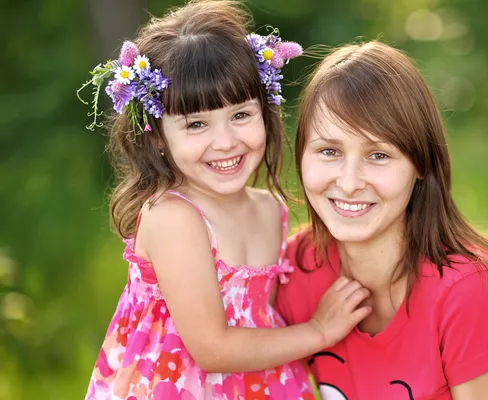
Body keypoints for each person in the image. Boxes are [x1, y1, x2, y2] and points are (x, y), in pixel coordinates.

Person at [79, 1, 371, 398]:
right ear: (158, 136)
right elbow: (212, 349)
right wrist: (318, 331)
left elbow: (258, 317)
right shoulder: (174, 217)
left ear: (264, 111)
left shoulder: (271, 209)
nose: (225, 142)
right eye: (196, 124)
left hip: (259, 384)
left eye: (240, 115)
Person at [276, 41, 488, 400]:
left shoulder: (470, 294)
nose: (348, 182)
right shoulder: (296, 268)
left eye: (378, 155)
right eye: (329, 151)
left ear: (421, 164)